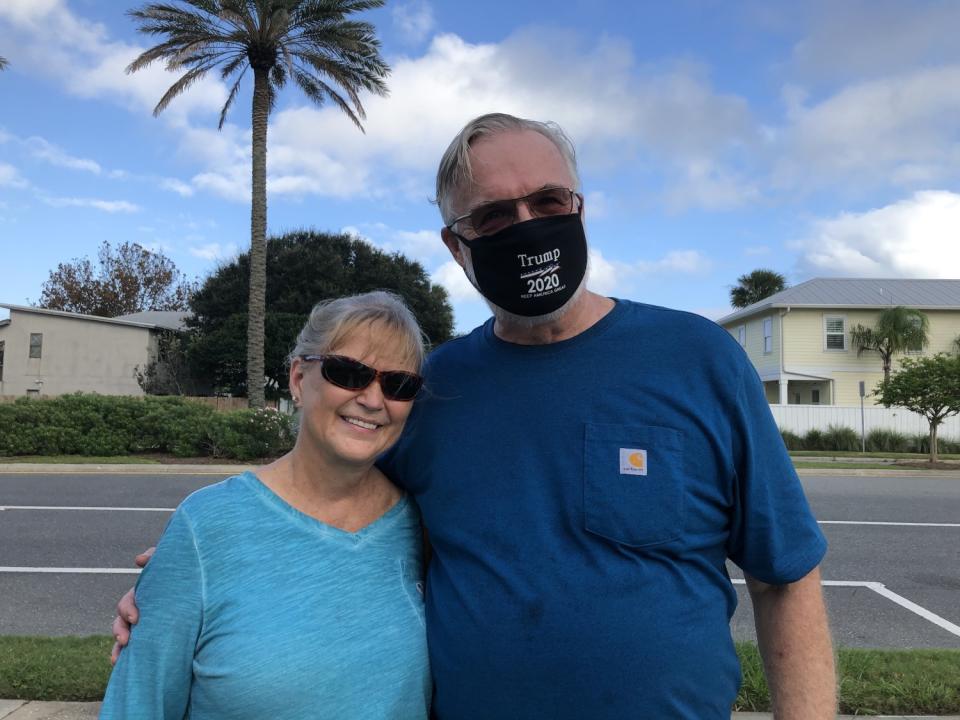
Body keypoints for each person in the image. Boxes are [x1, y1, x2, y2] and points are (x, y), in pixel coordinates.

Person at [115, 114, 836, 719]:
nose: (527, 226)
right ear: (457, 247)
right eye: (494, 214)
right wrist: (191, 578)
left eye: (549, 201)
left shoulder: (697, 359)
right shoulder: (428, 390)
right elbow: (331, 511)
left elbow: (785, 576)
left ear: (580, 208)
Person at [102, 291, 431, 719]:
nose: (372, 399)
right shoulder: (205, 527)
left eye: (398, 384)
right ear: (298, 379)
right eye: (347, 372)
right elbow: (137, 705)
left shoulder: (422, 525)